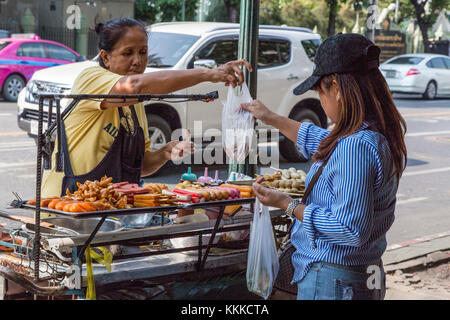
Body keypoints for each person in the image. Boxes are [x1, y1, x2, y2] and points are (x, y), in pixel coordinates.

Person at [241, 33, 407, 300]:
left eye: (320, 91)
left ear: (337, 88)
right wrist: (270, 117)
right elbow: (323, 143)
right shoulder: (369, 135)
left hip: (336, 279)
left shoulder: (356, 146)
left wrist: (288, 204)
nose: (320, 99)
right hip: (359, 275)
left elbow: (349, 229)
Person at [41, 18, 251, 197]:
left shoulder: (135, 104)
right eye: (127, 53)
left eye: (142, 52)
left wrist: (165, 153)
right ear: (105, 57)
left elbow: (140, 167)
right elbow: (134, 86)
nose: (137, 61)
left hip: (109, 208)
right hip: (67, 201)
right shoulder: (91, 78)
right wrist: (207, 74)